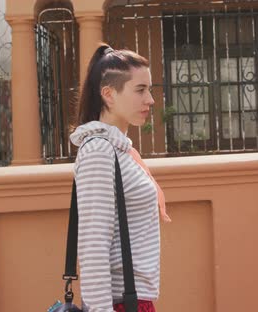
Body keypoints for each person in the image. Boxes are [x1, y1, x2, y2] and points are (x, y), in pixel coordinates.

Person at [70, 44, 171, 312]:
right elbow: (93, 249)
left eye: (149, 89)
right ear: (108, 94)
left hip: (133, 300)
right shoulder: (99, 152)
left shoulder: (119, 150)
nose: (150, 99)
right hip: (119, 304)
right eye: (140, 90)